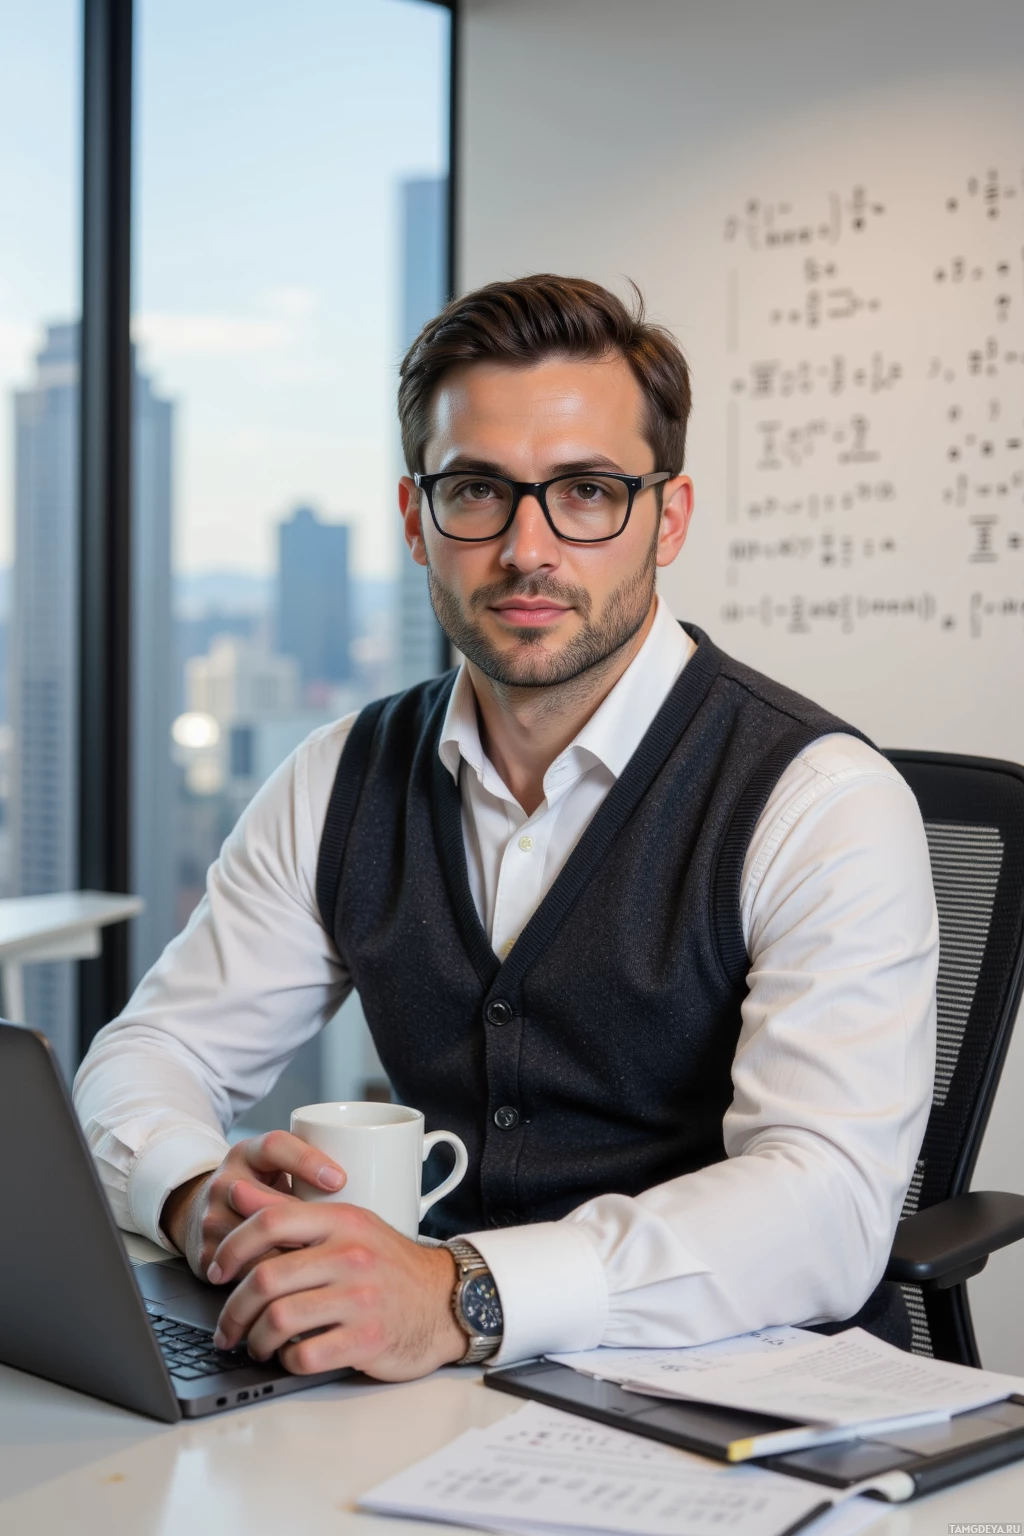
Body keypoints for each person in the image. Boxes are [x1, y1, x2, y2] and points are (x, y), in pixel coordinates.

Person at [74, 274, 938, 1383]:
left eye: (585, 492)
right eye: (478, 490)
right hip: (429, 1394)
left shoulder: (821, 801)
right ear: (415, 517)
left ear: (665, 517)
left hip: (736, 1394)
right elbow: (151, 1056)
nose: (528, 548)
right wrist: (200, 1199)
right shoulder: (338, 776)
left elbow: (826, 1202)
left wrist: (461, 1292)